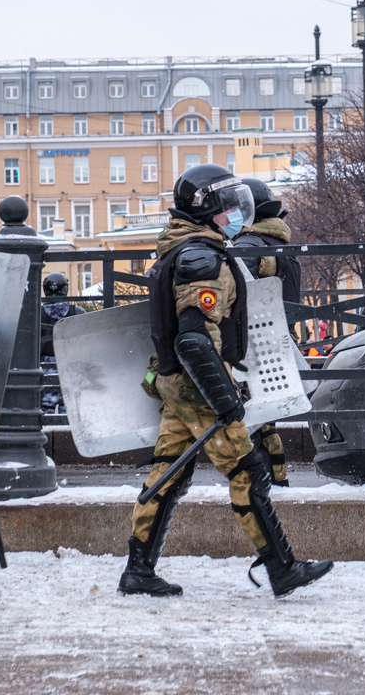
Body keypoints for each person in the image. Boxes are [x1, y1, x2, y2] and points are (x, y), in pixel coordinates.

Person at [120, 164, 332, 598]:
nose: (236, 213)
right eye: (229, 205)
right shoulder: (201, 257)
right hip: (199, 386)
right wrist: (225, 400)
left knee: (168, 474)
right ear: (208, 208)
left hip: (178, 384)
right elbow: (196, 341)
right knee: (248, 470)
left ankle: (138, 570)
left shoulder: (181, 249)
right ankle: (282, 569)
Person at [231, 178, 299, 486]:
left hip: (252, 342)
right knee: (263, 419)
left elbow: (235, 291)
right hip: (278, 339)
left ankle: (256, 481)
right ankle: (277, 478)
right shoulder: (280, 243)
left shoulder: (249, 244)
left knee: (247, 417)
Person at [39, 272, 86, 414]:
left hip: (45, 369)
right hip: (71, 367)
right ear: (65, 289)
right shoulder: (77, 312)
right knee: (71, 412)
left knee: (45, 414)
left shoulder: (36, 314)